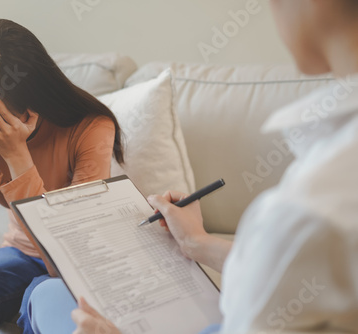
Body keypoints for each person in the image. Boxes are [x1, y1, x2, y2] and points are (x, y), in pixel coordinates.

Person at [25, 0, 358, 333]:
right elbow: (294, 276)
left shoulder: (312, 208)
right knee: (51, 293)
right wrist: (198, 242)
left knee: (51, 301)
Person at [0, 19, 124, 333]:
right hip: (22, 251)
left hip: (82, 258)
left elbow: (71, 255)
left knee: (39, 300)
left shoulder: (92, 126)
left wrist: (16, 155)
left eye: (2, 117)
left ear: (36, 100)